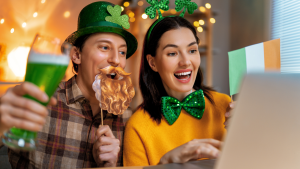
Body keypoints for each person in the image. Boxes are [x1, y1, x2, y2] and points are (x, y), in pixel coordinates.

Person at [0, 1, 137, 168]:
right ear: (76, 55)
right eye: (104, 47)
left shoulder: (128, 118)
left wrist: (109, 166)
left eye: (122, 51)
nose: (116, 59)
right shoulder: (39, 101)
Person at [123, 16, 233, 166]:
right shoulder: (138, 126)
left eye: (192, 50)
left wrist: (248, 134)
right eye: (172, 53)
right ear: (152, 63)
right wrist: (165, 163)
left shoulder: (226, 106)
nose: (186, 62)